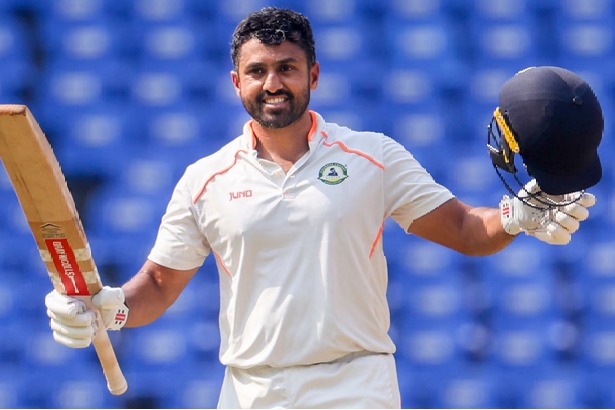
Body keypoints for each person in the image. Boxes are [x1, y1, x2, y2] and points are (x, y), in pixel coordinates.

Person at [44, 7, 601, 409]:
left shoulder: (373, 156)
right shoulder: (204, 180)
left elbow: (463, 228)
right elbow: (159, 285)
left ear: (313, 74)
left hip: (355, 387)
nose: (273, 83)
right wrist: (110, 310)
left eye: (287, 67)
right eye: (258, 71)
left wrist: (515, 217)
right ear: (236, 82)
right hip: (251, 391)